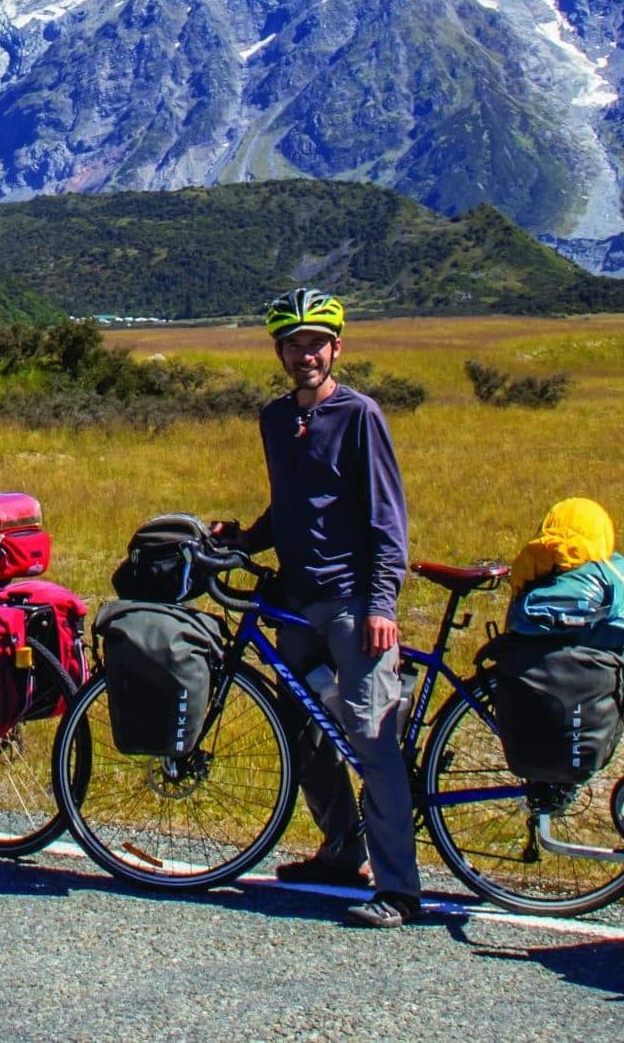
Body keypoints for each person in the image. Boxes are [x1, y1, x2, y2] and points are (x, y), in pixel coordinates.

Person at [218, 287, 420, 928]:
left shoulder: (360, 415)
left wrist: (382, 603)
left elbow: (388, 518)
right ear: (279, 351)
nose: (306, 354)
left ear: (336, 348)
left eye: (317, 343)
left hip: (351, 604)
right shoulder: (276, 419)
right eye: (294, 344)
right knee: (303, 733)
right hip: (294, 602)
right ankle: (341, 853)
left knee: (371, 738)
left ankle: (400, 890)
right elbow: (292, 507)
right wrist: (245, 540)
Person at [505, 497, 624, 650]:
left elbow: (510, 629)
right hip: (599, 669)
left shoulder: (532, 559)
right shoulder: (619, 573)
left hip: (522, 667)